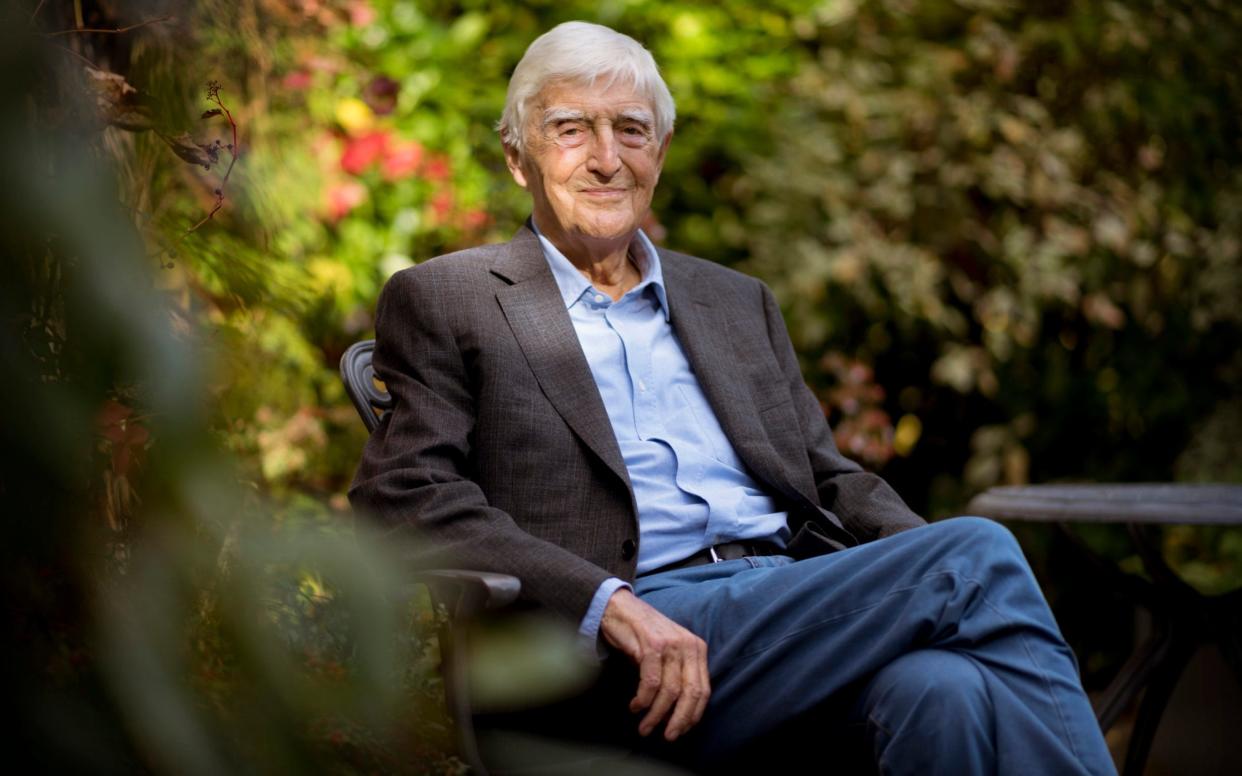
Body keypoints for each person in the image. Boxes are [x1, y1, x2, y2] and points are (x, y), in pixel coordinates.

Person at [350, 20, 1117, 775]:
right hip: (624, 647)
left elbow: (829, 481)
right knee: (978, 553)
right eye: (571, 129)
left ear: (662, 152)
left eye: (631, 130)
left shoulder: (732, 301)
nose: (607, 158)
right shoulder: (451, 299)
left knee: (938, 687)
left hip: (790, 603)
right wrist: (610, 604)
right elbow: (403, 493)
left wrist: (917, 579)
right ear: (518, 158)